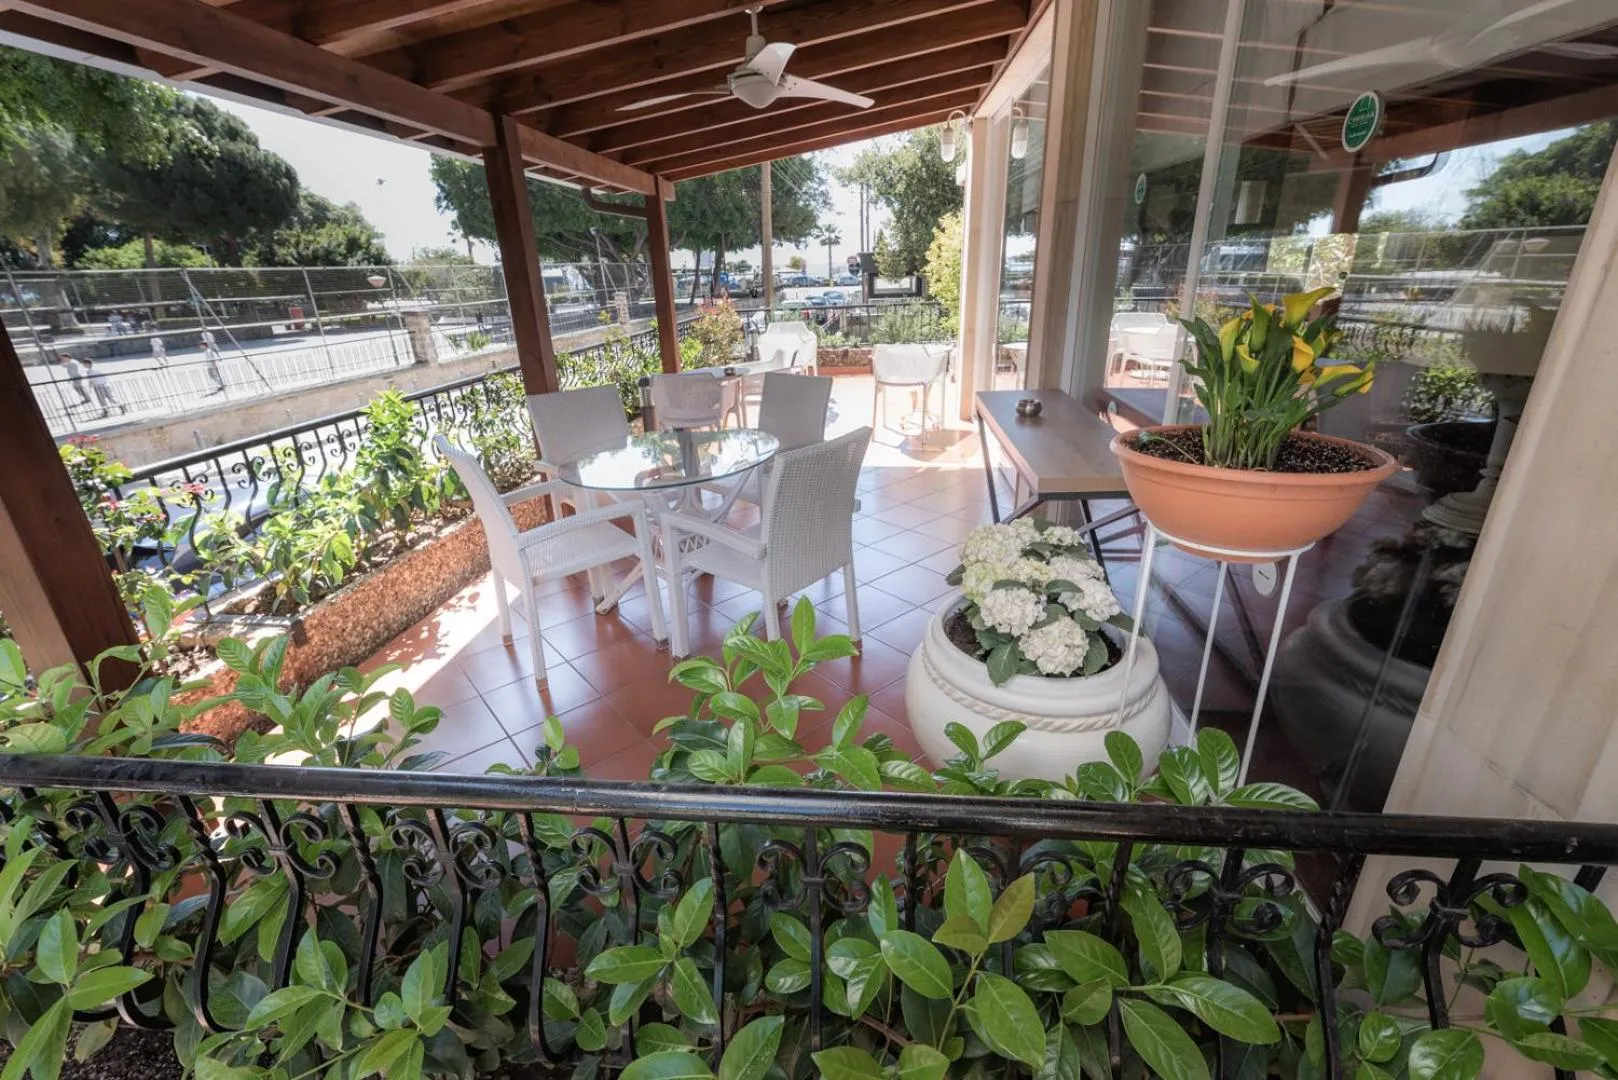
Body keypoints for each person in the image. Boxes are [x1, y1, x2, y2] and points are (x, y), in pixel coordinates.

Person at [200, 327, 225, 393]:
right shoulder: (202, 334)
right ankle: (221, 384)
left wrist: (214, 364)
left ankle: (221, 384)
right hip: (210, 364)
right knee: (213, 376)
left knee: (214, 375)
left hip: (212, 364)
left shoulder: (209, 334)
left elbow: (212, 339)